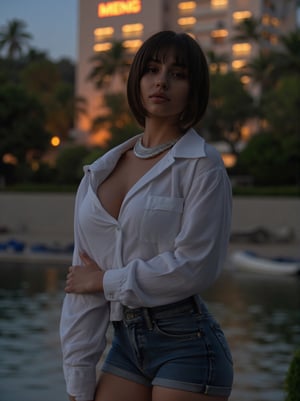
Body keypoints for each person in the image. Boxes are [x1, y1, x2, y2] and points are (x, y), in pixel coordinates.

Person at [60, 30, 233, 401]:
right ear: (137, 79)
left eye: (178, 74)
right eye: (152, 69)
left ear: (193, 88)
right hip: (125, 343)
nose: (162, 81)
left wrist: (105, 281)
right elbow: (81, 285)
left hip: (187, 343)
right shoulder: (99, 174)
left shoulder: (203, 165)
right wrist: (77, 381)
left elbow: (195, 266)